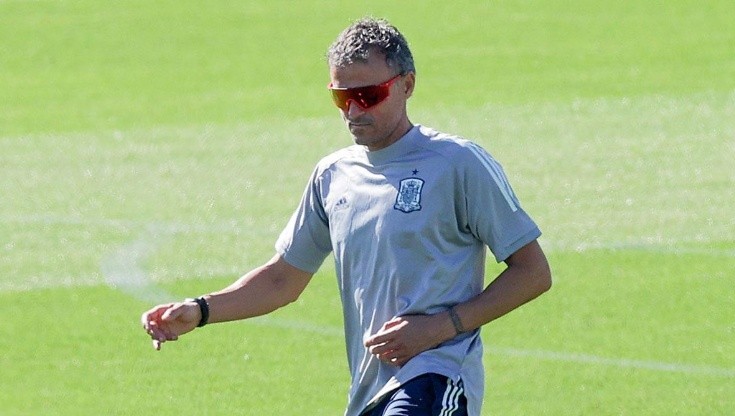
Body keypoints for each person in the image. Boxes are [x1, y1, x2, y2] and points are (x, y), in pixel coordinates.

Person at [141, 17, 551, 416]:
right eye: (341, 97)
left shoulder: (458, 164)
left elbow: (533, 272)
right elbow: (283, 279)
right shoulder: (333, 175)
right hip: (369, 389)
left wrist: (439, 328)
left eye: (369, 95)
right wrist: (201, 310)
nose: (354, 110)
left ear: (407, 85)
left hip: (436, 377)